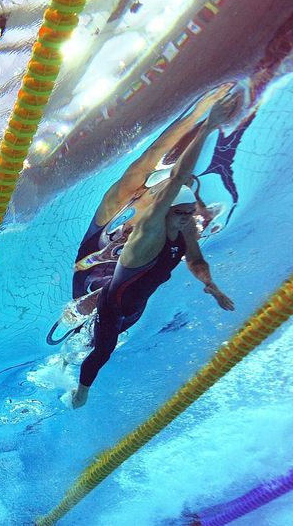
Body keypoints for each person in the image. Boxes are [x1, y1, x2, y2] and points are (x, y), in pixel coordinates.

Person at [70, 93, 238, 409]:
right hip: (96, 279)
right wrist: (200, 117)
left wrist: (210, 285)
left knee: (103, 341)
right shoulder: (122, 202)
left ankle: (80, 363)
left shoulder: (183, 219)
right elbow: (157, 156)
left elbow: (194, 255)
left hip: (133, 302)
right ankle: (78, 376)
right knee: (97, 339)